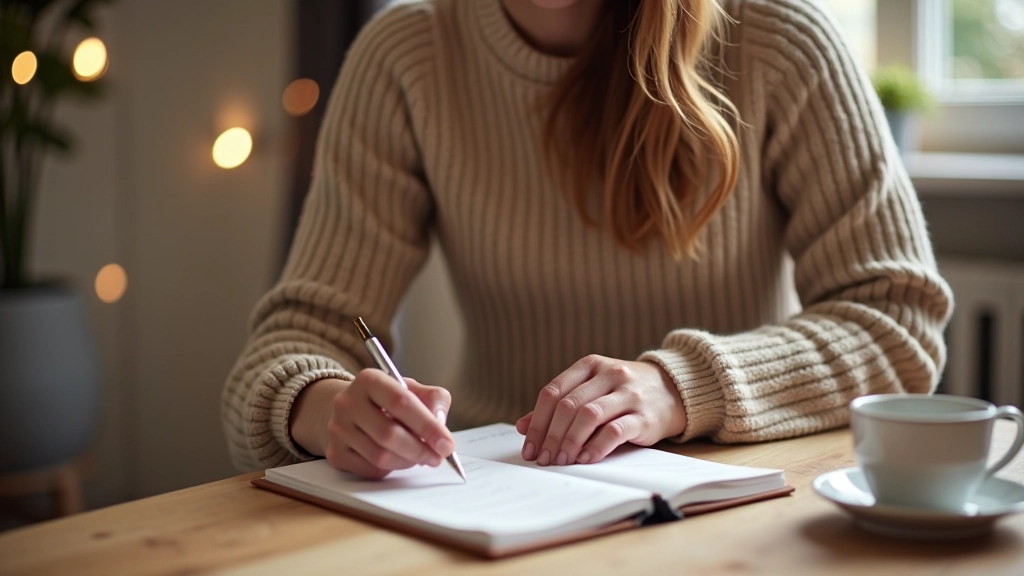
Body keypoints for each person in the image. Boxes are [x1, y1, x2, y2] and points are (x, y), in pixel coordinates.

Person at [222, 0, 952, 479]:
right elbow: (295, 339)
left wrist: (679, 388)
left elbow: (898, 325)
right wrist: (325, 407)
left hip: (729, 497)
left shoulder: (778, 38)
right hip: (491, 497)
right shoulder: (406, 54)